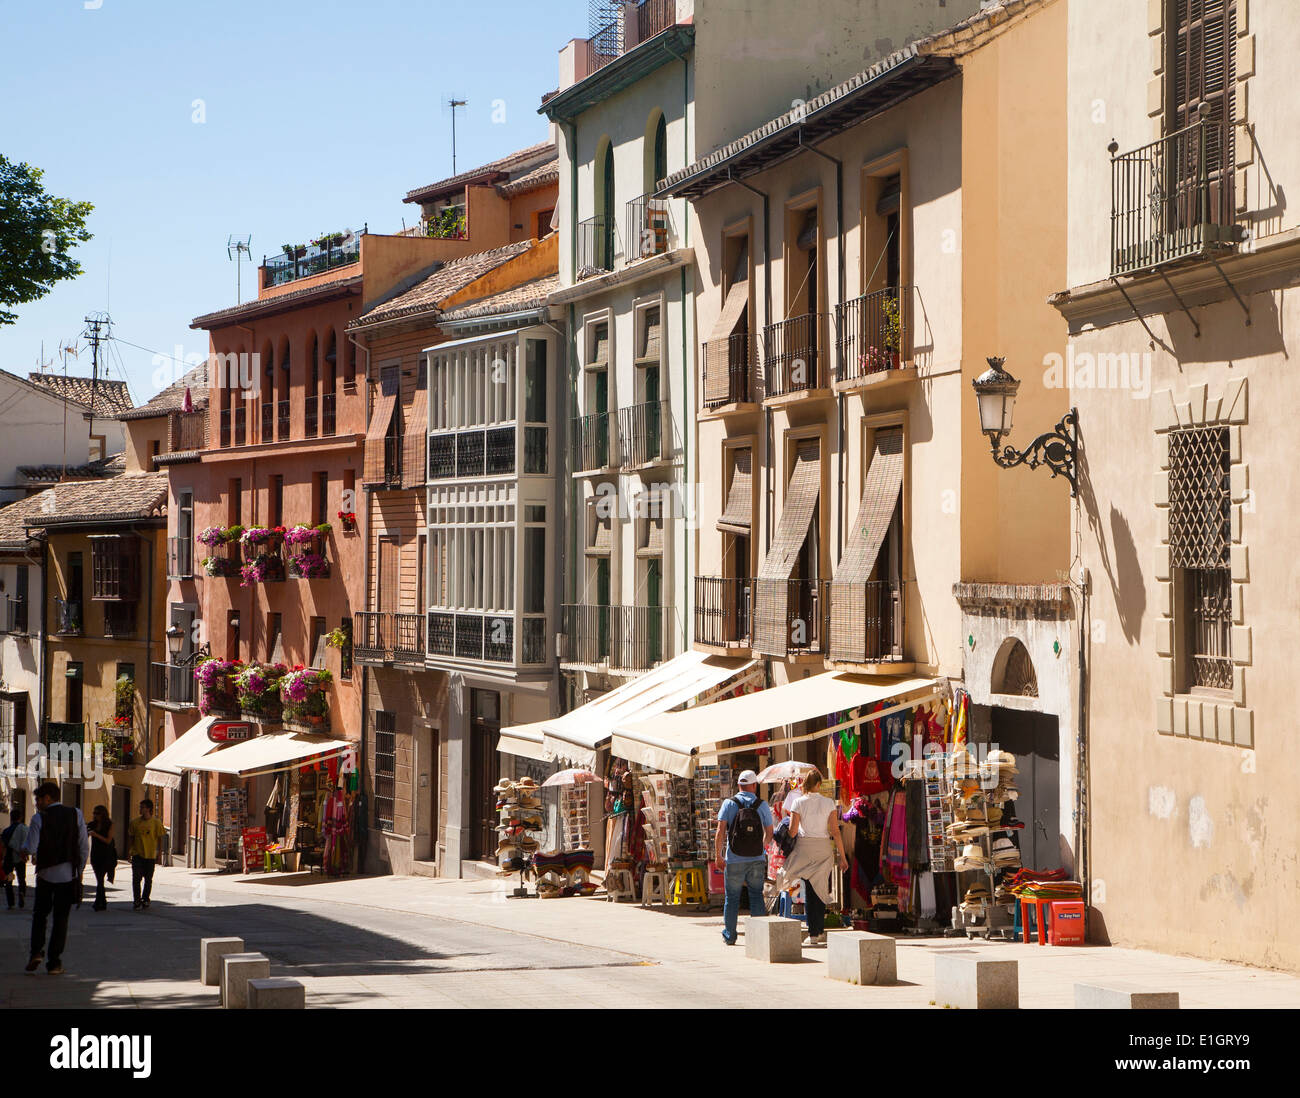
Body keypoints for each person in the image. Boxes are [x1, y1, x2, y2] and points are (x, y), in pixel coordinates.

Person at [22, 782, 89, 975]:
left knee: (40, 915)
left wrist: (24, 851)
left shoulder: (38, 818)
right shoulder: (76, 814)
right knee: (61, 919)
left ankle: (36, 952)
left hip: (45, 875)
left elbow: (31, 847)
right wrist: (79, 868)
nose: (37, 803)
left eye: (39, 799)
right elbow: (83, 846)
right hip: (68, 875)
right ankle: (54, 962)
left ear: (48, 798)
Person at [780, 769, 849, 946]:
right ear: (819, 784)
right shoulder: (828, 803)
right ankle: (818, 931)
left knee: (809, 889)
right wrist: (843, 857)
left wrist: (785, 829)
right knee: (820, 889)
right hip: (823, 848)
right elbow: (835, 832)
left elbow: (793, 831)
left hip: (805, 848)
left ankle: (813, 932)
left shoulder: (798, 802)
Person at [714, 769, 774, 946]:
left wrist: (718, 856)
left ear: (738, 785)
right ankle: (757, 937)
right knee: (756, 895)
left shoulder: (729, 803)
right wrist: (761, 848)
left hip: (733, 858)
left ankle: (730, 936)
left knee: (732, 898)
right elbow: (770, 832)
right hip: (756, 859)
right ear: (754, 786)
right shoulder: (761, 805)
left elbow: (720, 831)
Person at [128, 799, 165, 910]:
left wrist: (159, 854)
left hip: (150, 855)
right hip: (137, 854)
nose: (140, 809)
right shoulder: (134, 823)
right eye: (140, 807)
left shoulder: (156, 823)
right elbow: (131, 838)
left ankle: (145, 899)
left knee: (148, 879)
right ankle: (137, 900)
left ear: (149, 809)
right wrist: (129, 852)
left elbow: (160, 838)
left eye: (142, 807)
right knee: (136, 878)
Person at [87, 805, 116, 911]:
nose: (95, 815)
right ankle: (102, 902)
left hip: (106, 855)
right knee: (99, 879)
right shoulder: (91, 825)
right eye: (94, 813)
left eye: (97, 813)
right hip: (95, 854)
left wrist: (96, 835)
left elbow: (108, 840)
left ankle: (99, 902)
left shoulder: (109, 824)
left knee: (100, 878)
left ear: (103, 814)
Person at [2, 809, 29, 910]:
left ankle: (11, 902)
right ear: (20, 817)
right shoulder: (25, 829)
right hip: (21, 857)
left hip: (9, 857)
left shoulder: (6, 830)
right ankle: (21, 892)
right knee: (21, 878)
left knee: (8, 879)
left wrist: (3, 858)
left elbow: (3, 845)